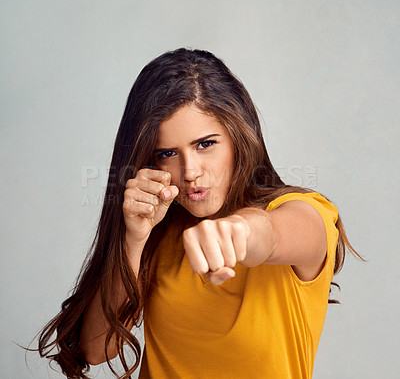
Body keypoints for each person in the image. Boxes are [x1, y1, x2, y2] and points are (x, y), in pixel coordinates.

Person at [36, 48, 364, 379]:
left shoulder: (306, 212)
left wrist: (238, 231)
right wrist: (133, 238)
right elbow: (96, 349)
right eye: (167, 153)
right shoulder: (160, 232)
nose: (190, 171)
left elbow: (272, 232)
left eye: (205, 144)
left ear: (239, 138)